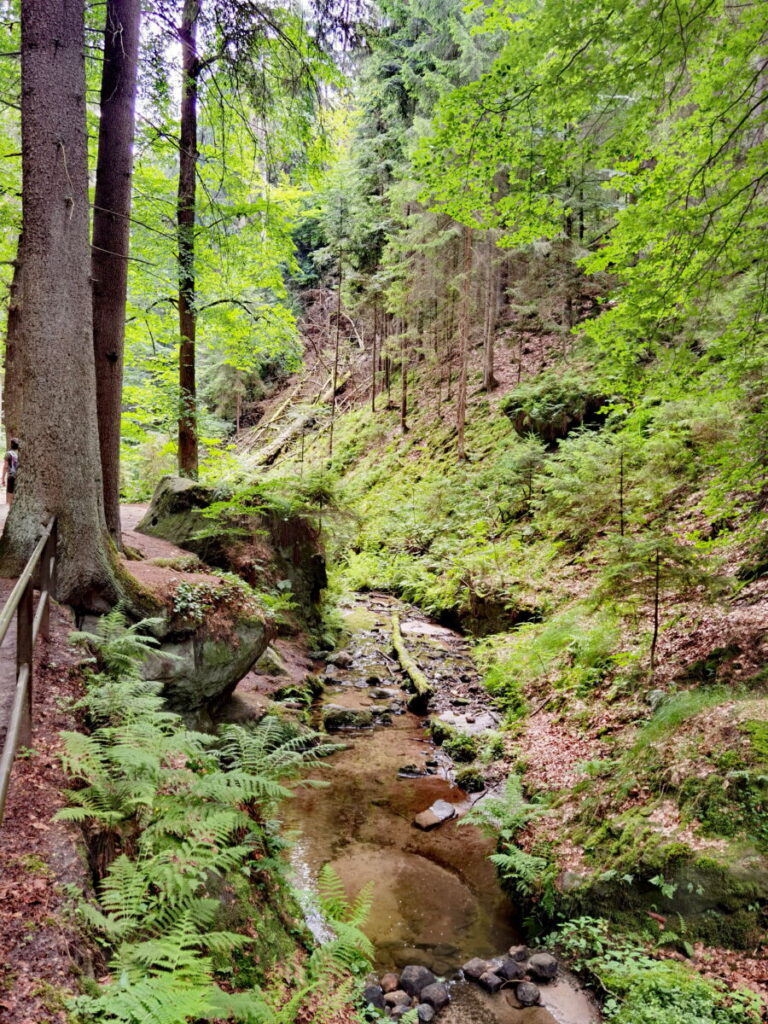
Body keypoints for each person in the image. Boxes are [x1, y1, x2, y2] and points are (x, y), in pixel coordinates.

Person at [2, 438, 19, 505]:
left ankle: (11, 509)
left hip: (11, 476)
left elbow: (6, 467)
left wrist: (3, 478)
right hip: (20, 476)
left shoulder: (8, 454)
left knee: (10, 494)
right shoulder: (21, 453)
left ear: (11, 444)